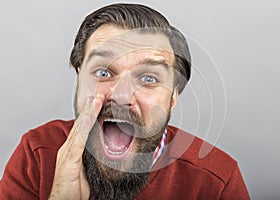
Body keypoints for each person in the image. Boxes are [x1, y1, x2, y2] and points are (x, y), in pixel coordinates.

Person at [0, 3, 250, 200]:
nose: (121, 96)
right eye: (103, 73)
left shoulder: (216, 181)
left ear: (173, 97)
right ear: (79, 81)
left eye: (149, 77)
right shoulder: (38, 153)